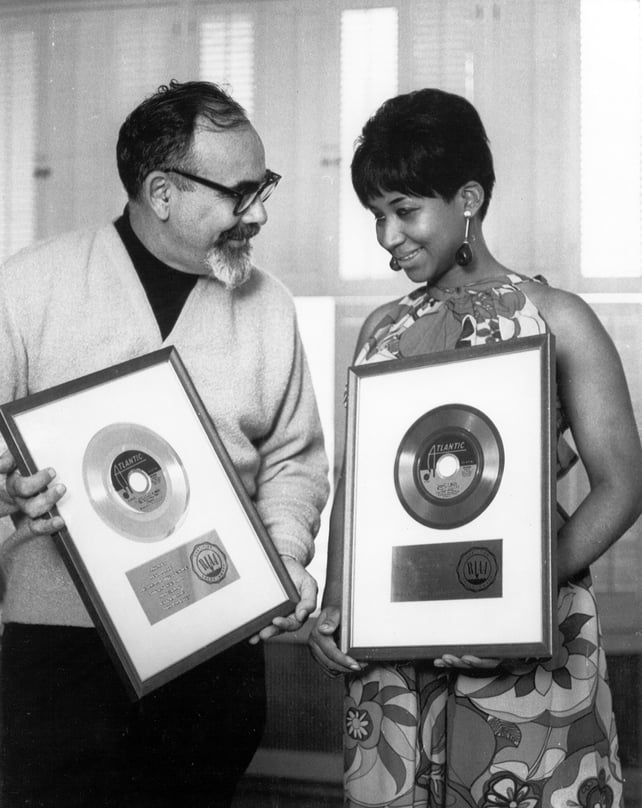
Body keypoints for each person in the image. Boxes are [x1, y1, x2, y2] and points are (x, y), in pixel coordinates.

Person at [309, 88, 642, 807]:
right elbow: (356, 482)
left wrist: (525, 592)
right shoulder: (379, 332)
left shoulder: (559, 318)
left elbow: (622, 484)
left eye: (403, 211)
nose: (386, 236)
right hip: (393, 650)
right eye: (375, 216)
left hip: (527, 638)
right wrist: (337, 604)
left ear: (468, 198)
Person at [0, 80, 329, 808]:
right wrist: (3, 492)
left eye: (264, 185)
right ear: (161, 191)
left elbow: (293, 460)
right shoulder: (26, 288)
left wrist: (284, 553)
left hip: (218, 651)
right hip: (59, 657)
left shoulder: (267, 305)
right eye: (241, 193)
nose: (262, 212)